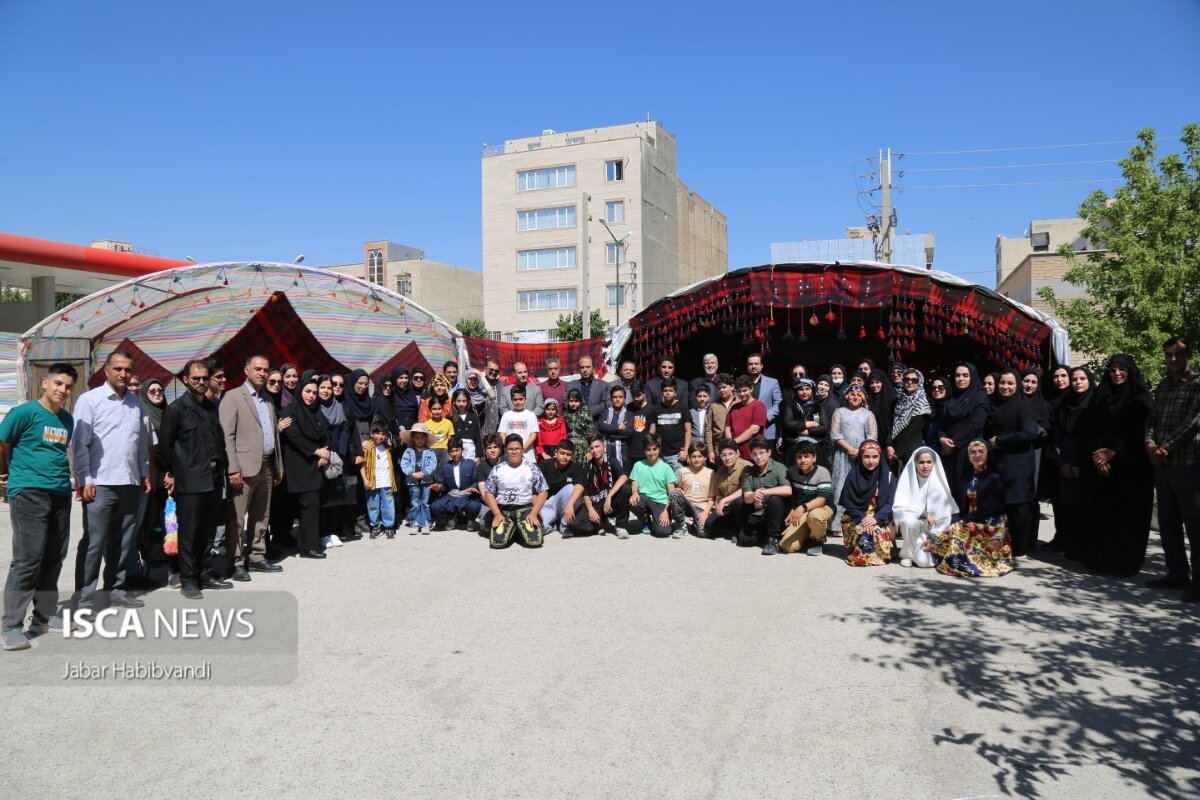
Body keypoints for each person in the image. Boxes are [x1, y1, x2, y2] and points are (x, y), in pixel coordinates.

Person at [0, 363, 77, 650]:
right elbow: (2, 442)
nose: (62, 390)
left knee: (54, 556)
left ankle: (44, 616)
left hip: (59, 493)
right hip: (29, 492)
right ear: (45, 383)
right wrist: (3, 477)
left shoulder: (67, 420)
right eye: (58, 383)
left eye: (68, 386)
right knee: (27, 559)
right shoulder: (24, 413)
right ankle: (10, 626)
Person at [70, 350, 153, 610]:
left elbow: (139, 445)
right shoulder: (90, 400)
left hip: (129, 483)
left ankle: (115, 589)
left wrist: (144, 473)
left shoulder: (136, 404)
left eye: (127, 369)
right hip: (100, 484)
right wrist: (85, 479)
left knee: (123, 541)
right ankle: (84, 597)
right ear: (106, 370)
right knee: (94, 542)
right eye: (117, 368)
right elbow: (79, 444)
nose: (123, 374)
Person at [159, 359, 233, 599]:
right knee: (189, 532)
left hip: (212, 479)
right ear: (186, 380)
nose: (201, 382)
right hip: (190, 481)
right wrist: (175, 472)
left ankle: (206, 573)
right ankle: (189, 579)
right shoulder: (176, 409)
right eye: (196, 378)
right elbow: (166, 446)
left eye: (204, 378)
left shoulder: (211, 407)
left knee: (208, 530)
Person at [1088, 354, 1155, 576]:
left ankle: (1126, 562)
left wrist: (1113, 451)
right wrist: (1099, 456)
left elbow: (1139, 431)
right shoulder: (1102, 394)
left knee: (1128, 515)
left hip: (1131, 467)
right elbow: (1093, 427)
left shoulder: (1140, 397)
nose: (1117, 373)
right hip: (1103, 466)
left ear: (1130, 371)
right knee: (1104, 512)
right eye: (1113, 369)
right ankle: (1102, 558)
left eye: (1122, 369)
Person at [1144, 337, 1200, 601]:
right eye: (1168, 355)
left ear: (1188, 354)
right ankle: (1177, 573)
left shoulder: (1197, 384)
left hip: (1188, 465)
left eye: (1178, 354)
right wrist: (1149, 443)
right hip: (1163, 467)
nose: (1173, 359)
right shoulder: (1164, 386)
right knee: (1168, 524)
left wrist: (1163, 447)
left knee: (1195, 525)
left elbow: (1194, 422)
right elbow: (1152, 419)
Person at [220, 354, 285, 582]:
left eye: (265, 370)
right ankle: (236, 561)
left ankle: (257, 555)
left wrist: (278, 464)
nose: (262, 373)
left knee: (262, 515)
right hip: (243, 468)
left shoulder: (268, 400)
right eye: (257, 369)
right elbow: (227, 436)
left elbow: (273, 434)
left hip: (266, 465)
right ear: (246, 370)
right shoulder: (233, 397)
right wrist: (232, 468)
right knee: (237, 518)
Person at [929, 439, 1014, 578]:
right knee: (950, 529)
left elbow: (989, 507)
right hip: (971, 519)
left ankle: (962, 564)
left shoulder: (994, 476)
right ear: (968, 457)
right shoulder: (967, 475)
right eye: (973, 452)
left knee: (957, 531)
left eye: (981, 451)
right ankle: (957, 562)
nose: (977, 455)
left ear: (987, 454)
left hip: (991, 522)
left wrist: (964, 521)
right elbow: (959, 501)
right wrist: (958, 519)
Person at [984, 369, 1039, 558]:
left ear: (1017, 385)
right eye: (1002, 383)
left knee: (1019, 508)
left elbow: (1030, 433)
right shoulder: (994, 404)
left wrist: (1000, 440)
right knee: (1000, 505)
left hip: (1018, 465)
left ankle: (1020, 548)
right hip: (997, 463)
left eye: (1010, 384)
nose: (1005, 387)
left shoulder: (1023, 405)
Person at [280, 377, 331, 559]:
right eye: (307, 391)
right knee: (309, 505)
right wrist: (316, 451)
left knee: (312, 505)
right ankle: (308, 547)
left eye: (314, 393)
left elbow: (326, 432)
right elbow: (294, 437)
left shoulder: (316, 411)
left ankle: (308, 543)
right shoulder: (290, 411)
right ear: (300, 391)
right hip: (299, 465)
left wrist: (325, 451)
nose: (311, 396)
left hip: (315, 464)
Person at [893, 446, 958, 568]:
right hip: (912, 526)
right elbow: (899, 508)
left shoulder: (939, 481)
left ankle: (917, 547)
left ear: (934, 463)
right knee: (908, 520)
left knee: (924, 562)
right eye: (921, 462)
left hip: (932, 531)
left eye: (929, 462)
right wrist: (924, 514)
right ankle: (906, 554)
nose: (925, 466)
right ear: (915, 463)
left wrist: (933, 538)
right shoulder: (908, 480)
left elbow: (946, 516)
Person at [483, 434, 550, 549]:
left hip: (525, 510)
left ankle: (517, 528)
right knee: (497, 543)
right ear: (505, 450)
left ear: (522, 450)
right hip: (504, 511)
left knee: (535, 541)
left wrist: (534, 513)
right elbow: (488, 493)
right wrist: (497, 514)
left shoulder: (532, 468)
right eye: (511, 449)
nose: (514, 452)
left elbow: (543, 491)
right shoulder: (497, 469)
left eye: (517, 449)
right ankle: (514, 529)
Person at [318, 374, 360, 547]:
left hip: (337, 457)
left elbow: (345, 429)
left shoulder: (340, 407)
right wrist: (325, 453)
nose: (330, 389)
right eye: (327, 386)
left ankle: (333, 530)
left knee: (336, 495)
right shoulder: (314, 407)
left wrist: (340, 454)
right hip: (321, 456)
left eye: (335, 386)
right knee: (322, 497)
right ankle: (322, 532)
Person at [841, 440, 897, 567]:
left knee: (875, 531)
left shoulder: (888, 476)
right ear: (860, 457)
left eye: (875, 456)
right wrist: (864, 518)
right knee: (864, 531)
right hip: (856, 517)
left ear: (880, 456)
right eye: (866, 456)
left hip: (880, 517)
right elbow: (848, 504)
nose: (871, 461)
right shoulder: (853, 475)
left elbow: (890, 503)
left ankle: (872, 554)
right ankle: (863, 556)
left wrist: (875, 519)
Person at [830, 384, 877, 533]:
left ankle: (857, 521)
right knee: (840, 486)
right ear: (847, 396)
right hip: (842, 455)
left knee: (858, 486)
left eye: (859, 395)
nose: (855, 397)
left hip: (862, 456)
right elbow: (835, 434)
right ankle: (837, 525)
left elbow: (872, 436)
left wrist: (860, 450)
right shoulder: (839, 412)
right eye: (852, 394)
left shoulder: (868, 414)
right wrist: (850, 449)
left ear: (863, 398)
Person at [938, 362, 990, 494]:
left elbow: (976, 424)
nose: (961, 379)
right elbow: (942, 423)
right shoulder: (950, 397)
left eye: (965, 375)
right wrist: (942, 438)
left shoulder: (980, 397)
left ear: (972, 377)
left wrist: (953, 442)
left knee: (965, 490)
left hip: (968, 450)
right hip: (948, 452)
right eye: (957, 375)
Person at [780, 440, 835, 556]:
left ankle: (817, 540)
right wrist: (792, 509)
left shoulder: (822, 472)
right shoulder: (792, 471)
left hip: (822, 508)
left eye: (807, 456)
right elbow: (792, 494)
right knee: (786, 546)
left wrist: (801, 508)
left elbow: (822, 499)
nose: (803, 460)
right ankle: (809, 535)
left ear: (814, 458)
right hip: (803, 511)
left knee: (815, 516)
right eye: (799, 457)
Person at [740, 436, 792, 554]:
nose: (758, 457)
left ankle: (773, 539)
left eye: (762, 453)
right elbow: (747, 498)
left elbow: (788, 490)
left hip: (777, 512)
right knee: (744, 540)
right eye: (755, 454)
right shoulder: (749, 472)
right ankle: (768, 534)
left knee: (775, 500)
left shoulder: (779, 467)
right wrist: (754, 495)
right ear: (751, 455)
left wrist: (764, 492)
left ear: (769, 452)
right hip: (760, 513)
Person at [573, 435, 631, 537]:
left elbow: (624, 477)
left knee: (626, 489)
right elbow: (585, 491)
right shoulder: (588, 465)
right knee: (577, 525)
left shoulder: (611, 460)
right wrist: (590, 509)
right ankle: (600, 523)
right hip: (596, 504)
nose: (594, 450)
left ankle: (621, 526)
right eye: (592, 448)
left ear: (604, 447)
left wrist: (609, 496)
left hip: (610, 504)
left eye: (597, 447)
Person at [627, 434, 685, 538]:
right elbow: (634, 482)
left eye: (654, 449)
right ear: (644, 450)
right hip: (644, 498)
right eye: (648, 449)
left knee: (663, 532)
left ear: (659, 449)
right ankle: (646, 521)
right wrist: (635, 493)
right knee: (633, 502)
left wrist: (666, 511)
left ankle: (659, 520)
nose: (651, 452)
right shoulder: (638, 465)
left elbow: (671, 493)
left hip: (660, 501)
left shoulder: (666, 468)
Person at [430, 437, 482, 531]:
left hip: (466, 496)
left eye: (457, 450)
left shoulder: (471, 464)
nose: (454, 454)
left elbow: (476, 481)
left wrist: (472, 487)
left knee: (475, 506)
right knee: (435, 507)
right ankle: (451, 517)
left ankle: (470, 520)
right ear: (448, 451)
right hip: (451, 496)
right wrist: (438, 487)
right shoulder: (445, 466)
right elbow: (441, 483)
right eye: (452, 451)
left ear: (462, 450)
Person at [704, 439, 751, 540]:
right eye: (724, 455)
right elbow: (719, 495)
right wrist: (717, 509)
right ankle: (733, 525)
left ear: (737, 453)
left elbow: (745, 489)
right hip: (728, 508)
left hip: (744, 506)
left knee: (739, 502)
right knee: (708, 526)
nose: (727, 458)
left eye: (730, 454)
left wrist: (725, 500)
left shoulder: (746, 466)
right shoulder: (720, 471)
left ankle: (739, 529)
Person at [537, 440, 586, 536]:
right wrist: (537, 509)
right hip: (547, 504)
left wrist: (570, 504)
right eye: (562, 453)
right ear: (556, 452)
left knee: (572, 488)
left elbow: (580, 485)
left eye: (568, 454)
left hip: (565, 504)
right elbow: (533, 490)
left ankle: (564, 524)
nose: (565, 457)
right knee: (538, 528)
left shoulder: (576, 468)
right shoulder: (544, 465)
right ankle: (556, 525)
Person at [888, 369, 932, 468]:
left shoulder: (923, 403)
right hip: (894, 449)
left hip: (910, 449)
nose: (910, 382)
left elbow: (914, 430)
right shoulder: (898, 401)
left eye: (914, 380)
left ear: (920, 382)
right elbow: (891, 424)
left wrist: (897, 452)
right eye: (906, 379)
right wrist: (889, 445)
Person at [400, 423, 438, 535]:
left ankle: (426, 523)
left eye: (422, 437)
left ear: (425, 438)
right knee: (415, 502)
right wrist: (412, 473)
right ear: (413, 438)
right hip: (413, 481)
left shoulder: (430, 451)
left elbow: (433, 463)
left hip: (426, 481)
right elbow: (404, 463)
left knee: (425, 502)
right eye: (417, 438)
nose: (420, 440)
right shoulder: (408, 451)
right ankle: (415, 523)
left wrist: (424, 472)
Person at [361, 423, 397, 539]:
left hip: (386, 482)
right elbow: (362, 464)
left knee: (388, 505)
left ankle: (388, 526)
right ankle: (376, 526)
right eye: (377, 433)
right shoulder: (367, 447)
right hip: (372, 482)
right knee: (373, 505)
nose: (380, 437)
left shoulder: (388, 447)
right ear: (372, 434)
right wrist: (365, 479)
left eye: (383, 434)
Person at [670, 443, 713, 536]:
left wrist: (706, 513)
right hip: (687, 504)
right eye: (693, 456)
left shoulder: (711, 473)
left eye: (699, 456)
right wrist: (679, 489)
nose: (696, 459)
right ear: (689, 458)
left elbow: (712, 498)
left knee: (703, 533)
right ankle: (681, 526)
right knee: (675, 494)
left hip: (701, 507)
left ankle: (695, 525)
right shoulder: (683, 471)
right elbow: (680, 487)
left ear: (705, 457)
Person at [780, 377, 824, 466]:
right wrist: (809, 424)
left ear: (812, 390)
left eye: (807, 389)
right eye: (801, 389)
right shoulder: (791, 405)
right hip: (793, 447)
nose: (804, 392)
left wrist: (809, 431)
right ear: (796, 391)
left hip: (814, 448)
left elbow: (825, 427)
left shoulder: (818, 406)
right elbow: (788, 424)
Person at [725, 375, 767, 459]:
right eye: (739, 391)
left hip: (753, 453)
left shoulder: (759, 406)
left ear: (751, 389)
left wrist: (734, 443)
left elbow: (754, 430)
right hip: (735, 453)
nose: (742, 394)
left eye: (745, 390)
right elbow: (727, 428)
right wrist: (732, 447)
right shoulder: (734, 407)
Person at [653, 379, 690, 469]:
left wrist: (686, 450)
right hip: (660, 453)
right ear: (662, 392)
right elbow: (653, 431)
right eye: (665, 391)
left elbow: (688, 430)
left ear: (675, 393)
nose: (668, 393)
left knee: (679, 481)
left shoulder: (683, 407)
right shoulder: (656, 408)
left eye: (670, 390)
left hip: (677, 454)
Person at [497, 385, 539, 465]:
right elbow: (502, 434)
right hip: (510, 456)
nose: (518, 402)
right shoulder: (506, 415)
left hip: (527, 456)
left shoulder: (531, 415)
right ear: (511, 400)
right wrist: (511, 448)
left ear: (525, 399)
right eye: (515, 399)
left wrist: (521, 449)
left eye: (521, 399)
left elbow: (533, 435)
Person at [746, 353, 782, 444]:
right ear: (747, 366)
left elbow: (779, 404)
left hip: (767, 429)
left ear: (761, 366)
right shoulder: (742, 383)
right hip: (746, 429)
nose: (753, 366)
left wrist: (765, 416)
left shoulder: (773, 382)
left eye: (756, 364)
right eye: (750, 364)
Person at [597, 385, 632, 471]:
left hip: (623, 451)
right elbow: (601, 427)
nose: (617, 399)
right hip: (607, 449)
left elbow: (628, 432)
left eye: (620, 397)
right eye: (615, 397)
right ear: (611, 398)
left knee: (623, 475)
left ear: (624, 398)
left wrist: (609, 430)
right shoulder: (605, 412)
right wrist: (618, 427)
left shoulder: (629, 414)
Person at [625, 381, 657, 467]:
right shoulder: (628, 408)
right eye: (633, 395)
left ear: (644, 393)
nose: (636, 398)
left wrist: (649, 444)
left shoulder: (650, 408)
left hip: (644, 450)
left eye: (638, 395)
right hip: (630, 449)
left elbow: (652, 428)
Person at [705, 374, 735, 464]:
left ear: (732, 386)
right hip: (719, 448)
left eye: (724, 387)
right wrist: (710, 450)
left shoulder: (739, 403)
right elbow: (708, 429)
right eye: (719, 388)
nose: (721, 390)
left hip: (737, 446)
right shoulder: (713, 406)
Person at [563, 389, 597, 465]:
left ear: (581, 401)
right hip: (568, 447)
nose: (573, 403)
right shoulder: (565, 415)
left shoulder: (586, 414)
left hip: (583, 447)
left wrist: (590, 451)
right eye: (571, 401)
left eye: (576, 401)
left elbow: (591, 434)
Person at [448, 388, 483, 463]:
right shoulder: (450, 416)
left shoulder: (472, 415)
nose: (461, 404)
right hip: (456, 447)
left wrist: (478, 455)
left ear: (468, 402)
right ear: (454, 402)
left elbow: (477, 436)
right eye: (458, 401)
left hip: (470, 448)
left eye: (464, 401)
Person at [866, 369, 897, 448]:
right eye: (871, 383)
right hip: (871, 442)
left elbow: (895, 423)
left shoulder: (892, 399)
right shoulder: (867, 399)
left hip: (890, 443)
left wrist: (889, 442)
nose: (874, 385)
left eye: (877, 382)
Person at [424, 396, 455, 468]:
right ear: (430, 409)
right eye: (434, 409)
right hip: (431, 450)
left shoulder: (448, 423)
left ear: (442, 409)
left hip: (445, 450)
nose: (437, 411)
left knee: (445, 471)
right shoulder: (425, 425)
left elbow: (450, 440)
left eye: (439, 409)